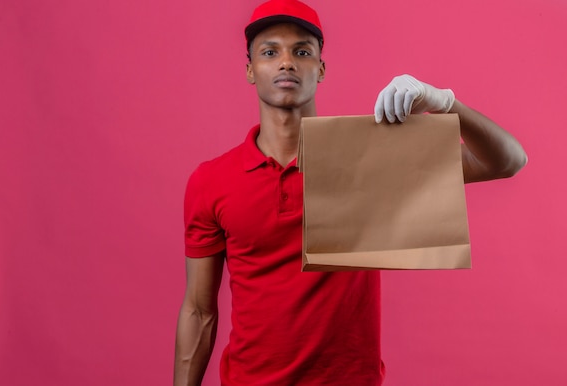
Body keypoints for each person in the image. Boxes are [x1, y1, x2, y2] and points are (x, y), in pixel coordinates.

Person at [174, 0, 528, 385]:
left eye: (303, 51)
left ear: (321, 69)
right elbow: (199, 311)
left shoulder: (368, 161)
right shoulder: (211, 180)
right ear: (250, 69)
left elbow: (507, 161)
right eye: (270, 51)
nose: (287, 62)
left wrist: (442, 102)